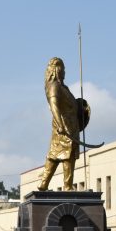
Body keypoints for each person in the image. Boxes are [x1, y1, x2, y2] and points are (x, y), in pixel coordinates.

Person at [36, 57, 86, 191]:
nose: (64, 72)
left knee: (54, 154)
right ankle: (68, 186)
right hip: (64, 128)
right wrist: (61, 125)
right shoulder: (54, 86)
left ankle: (43, 183)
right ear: (57, 70)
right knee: (66, 156)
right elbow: (54, 106)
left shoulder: (64, 87)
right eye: (63, 69)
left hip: (70, 125)